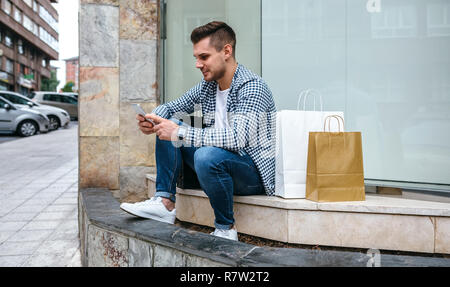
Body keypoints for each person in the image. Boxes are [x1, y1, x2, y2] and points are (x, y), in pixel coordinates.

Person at [120, 21, 276, 241]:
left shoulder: (252, 87)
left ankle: (225, 229)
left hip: (251, 173)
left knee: (201, 151)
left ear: (227, 51)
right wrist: (153, 119)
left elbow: (237, 138)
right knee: (170, 123)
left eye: (204, 57)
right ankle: (164, 202)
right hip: (216, 164)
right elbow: (173, 107)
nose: (198, 64)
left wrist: (180, 132)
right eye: (196, 58)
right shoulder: (209, 86)